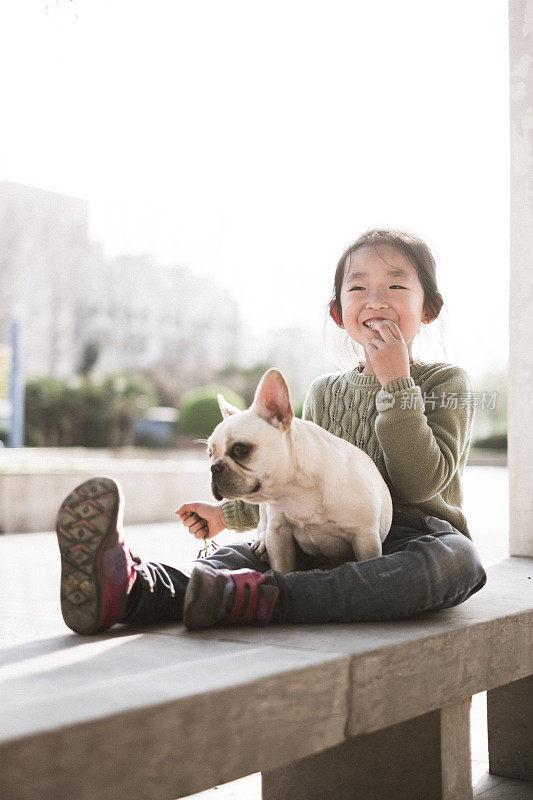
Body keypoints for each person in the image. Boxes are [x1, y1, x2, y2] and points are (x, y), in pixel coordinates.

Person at [55, 228, 487, 636]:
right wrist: (227, 515)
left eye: (395, 286)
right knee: (239, 556)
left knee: (457, 561)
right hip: (318, 541)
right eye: (357, 288)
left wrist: (397, 385)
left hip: (413, 538)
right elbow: (291, 477)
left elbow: (420, 482)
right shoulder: (325, 391)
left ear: (429, 308)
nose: (375, 299)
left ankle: (267, 597)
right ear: (338, 314)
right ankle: (134, 589)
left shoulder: (447, 382)